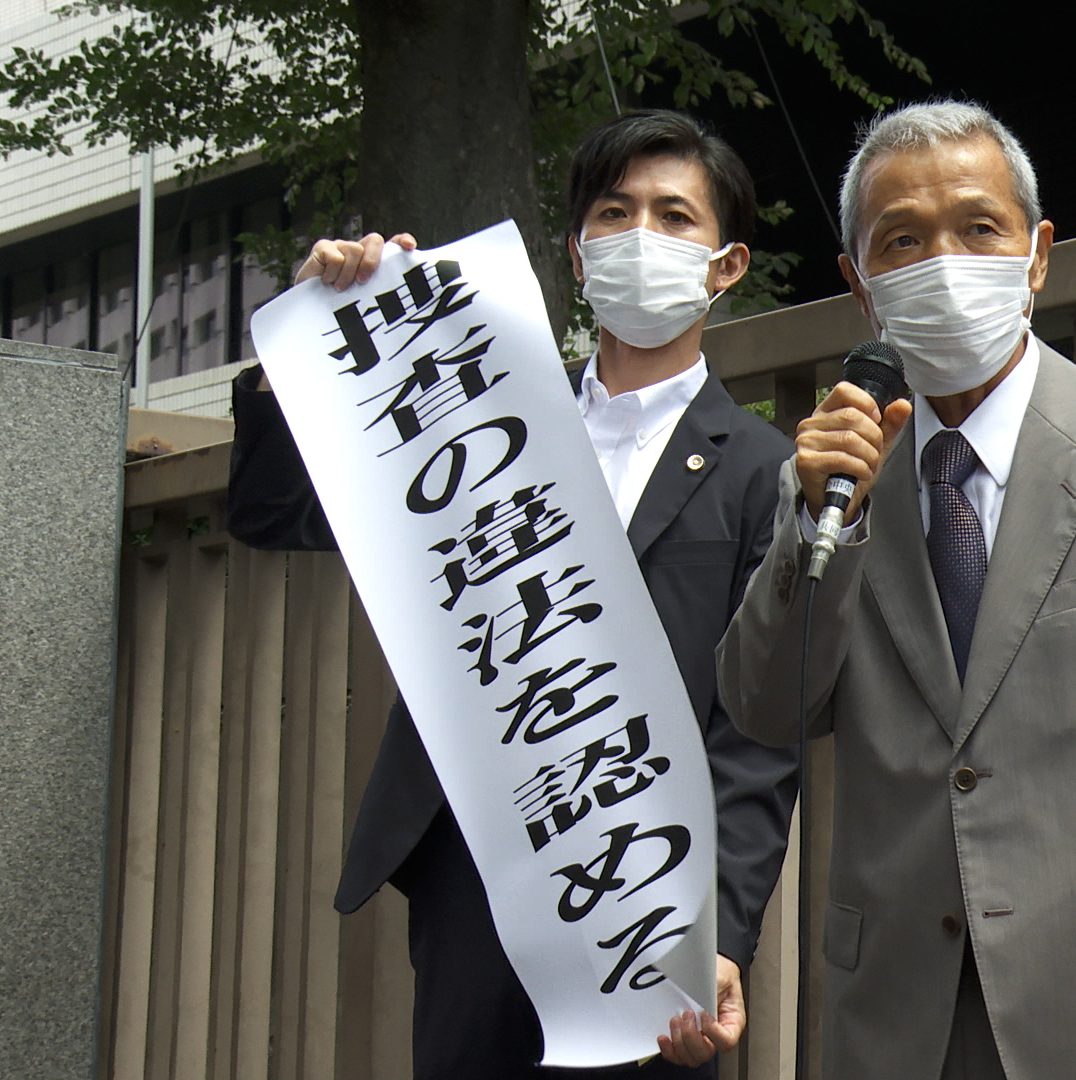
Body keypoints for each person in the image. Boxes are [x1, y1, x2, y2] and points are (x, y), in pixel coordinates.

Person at [226, 109, 800, 1079]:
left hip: (645, 896)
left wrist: (724, 932)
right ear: (577, 256)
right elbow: (274, 512)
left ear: (727, 264)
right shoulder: (475, 418)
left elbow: (756, 736)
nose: (640, 239)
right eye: (614, 215)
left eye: (674, 217)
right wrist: (321, 339)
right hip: (476, 866)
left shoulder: (761, 473)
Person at [714, 100, 1076, 1080]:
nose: (944, 260)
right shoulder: (834, 478)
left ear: (1037, 253)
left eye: (979, 228)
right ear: (860, 284)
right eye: (902, 240)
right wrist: (816, 524)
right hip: (890, 1013)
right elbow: (767, 707)